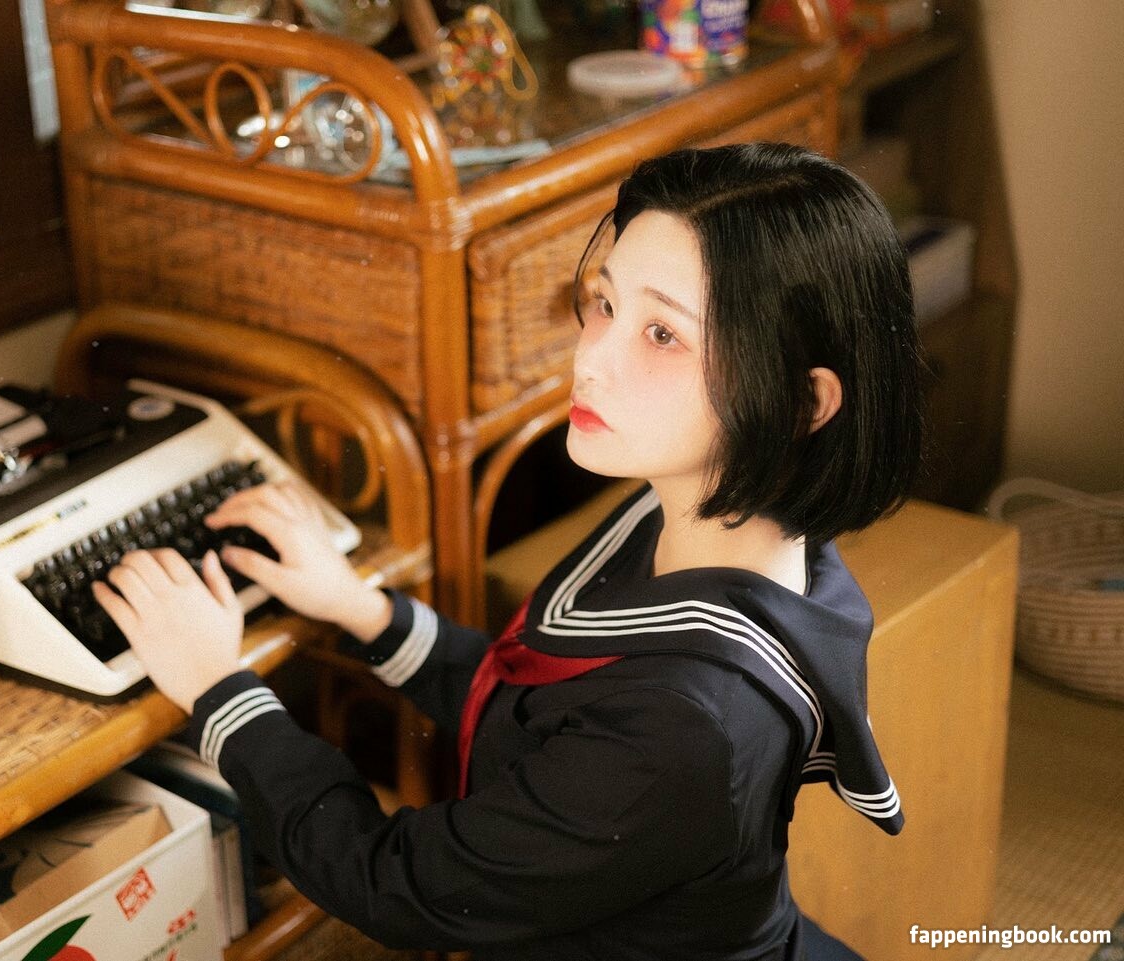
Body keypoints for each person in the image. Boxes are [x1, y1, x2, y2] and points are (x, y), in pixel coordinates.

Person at [93, 142, 924, 960]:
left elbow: (400, 885)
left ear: (802, 402)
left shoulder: (691, 724)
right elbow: (541, 715)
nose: (590, 358)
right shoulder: (712, 518)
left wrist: (218, 688)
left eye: (662, 334)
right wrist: (363, 609)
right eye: (605, 303)